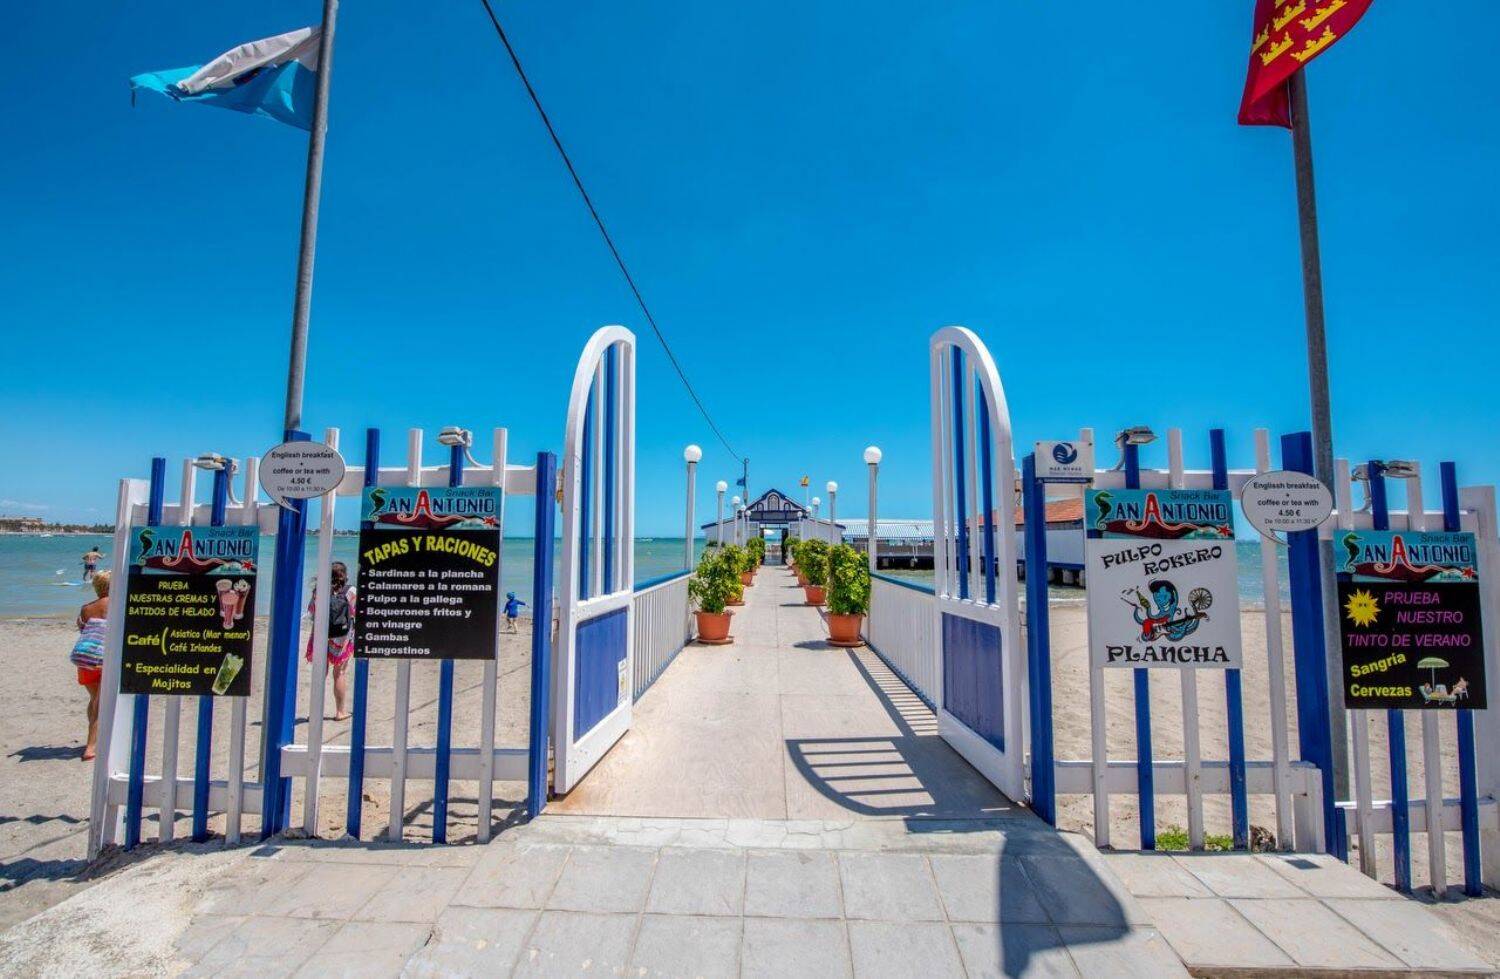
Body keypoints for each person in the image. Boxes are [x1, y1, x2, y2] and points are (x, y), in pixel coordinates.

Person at [305, 561, 356, 721]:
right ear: (344, 576)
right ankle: (340, 712)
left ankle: (315, 712)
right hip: (341, 637)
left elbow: (311, 612)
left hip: (321, 634)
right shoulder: (351, 591)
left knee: (320, 673)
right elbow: (356, 612)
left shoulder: (319, 590)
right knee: (339, 672)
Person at [70, 571, 110, 760]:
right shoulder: (115, 604)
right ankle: (91, 747)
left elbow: (84, 629)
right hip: (101, 659)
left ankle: (95, 739)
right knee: (100, 703)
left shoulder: (86, 608)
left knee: (94, 699)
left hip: (83, 657)